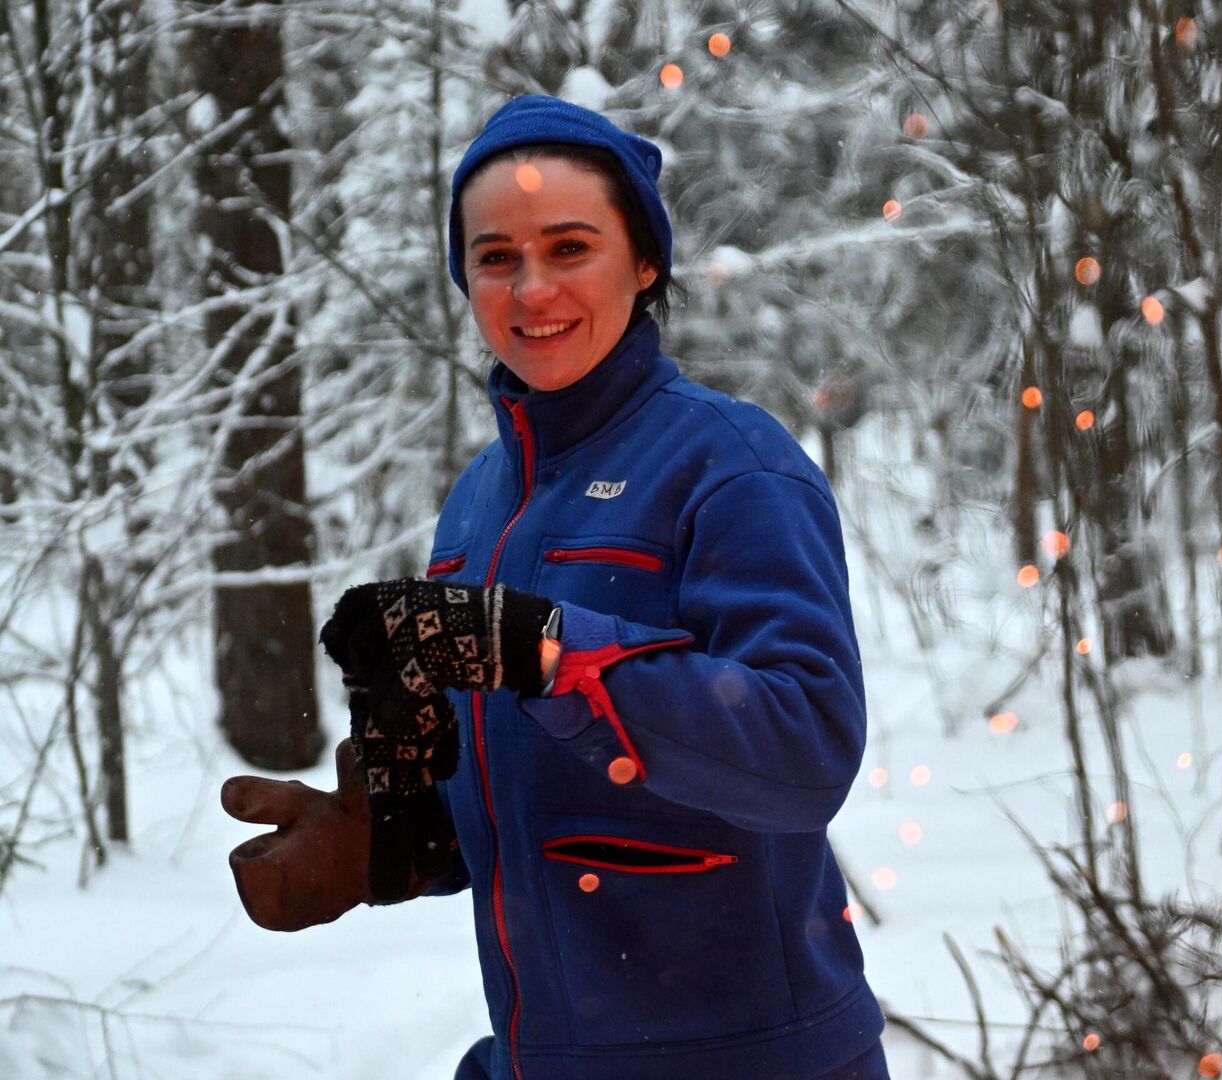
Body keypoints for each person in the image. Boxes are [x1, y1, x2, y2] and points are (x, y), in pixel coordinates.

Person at [218, 95, 888, 1080]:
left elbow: (806, 748)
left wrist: (539, 646)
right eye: (495, 257)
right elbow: (535, 800)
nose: (531, 290)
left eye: (570, 247)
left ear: (644, 262)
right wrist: (394, 841)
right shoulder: (479, 505)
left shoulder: (732, 466)